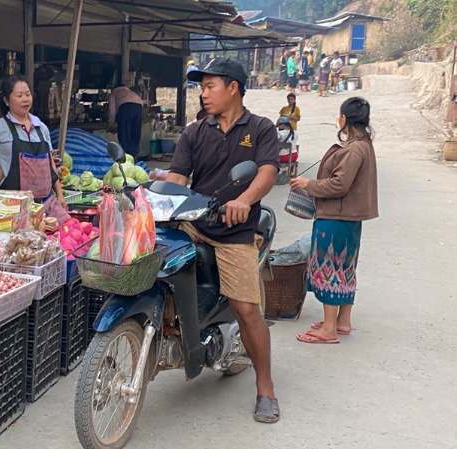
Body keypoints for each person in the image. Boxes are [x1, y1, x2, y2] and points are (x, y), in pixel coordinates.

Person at [169, 58, 280, 423]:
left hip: (234, 231)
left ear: (233, 87)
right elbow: (177, 178)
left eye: (209, 86)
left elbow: (266, 171)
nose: (203, 94)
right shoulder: (194, 132)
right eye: (201, 88)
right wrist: (155, 197)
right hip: (195, 224)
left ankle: (266, 388)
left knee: (247, 310)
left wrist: (244, 200)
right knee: (156, 264)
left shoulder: (261, 128)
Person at [290, 97, 378, 344]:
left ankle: (329, 328)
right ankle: (342, 321)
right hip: (350, 218)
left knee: (329, 268)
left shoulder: (353, 149)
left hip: (336, 217)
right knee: (345, 267)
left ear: (344, 119)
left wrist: (309, 184)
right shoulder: (364, 145)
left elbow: (339, 184)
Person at [0, 75, 65, 205]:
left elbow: (50, 165)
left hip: (43, 203)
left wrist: (60, 195)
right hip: (11, 204)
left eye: (28, 94)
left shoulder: (41, 127)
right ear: (6, 100)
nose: (25, 99)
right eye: (19, 95)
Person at [108, 85, 144, 160]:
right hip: (139, 106)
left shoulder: (114, 93)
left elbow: (112, 110)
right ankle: (134, 154)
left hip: (125, 107)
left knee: (124, 131)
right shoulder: (130, 92)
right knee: (135, 131)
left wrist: (111, 123)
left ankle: (126, 154)